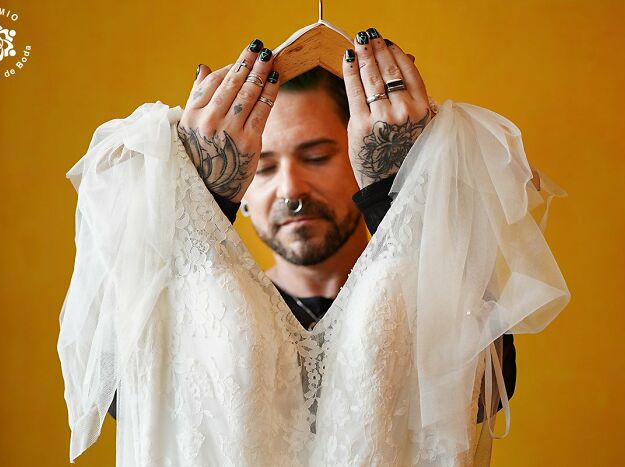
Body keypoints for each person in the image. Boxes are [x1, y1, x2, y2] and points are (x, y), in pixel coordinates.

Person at [107, 28, 527, 425]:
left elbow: (485, 390)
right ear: (244, 195)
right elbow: (122, 395)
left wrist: (394, 195)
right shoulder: (203, 312)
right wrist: (204, 207)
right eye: (264, 166)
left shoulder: (436, 291)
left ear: (358, 154)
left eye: (316, 157)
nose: (291, 189)